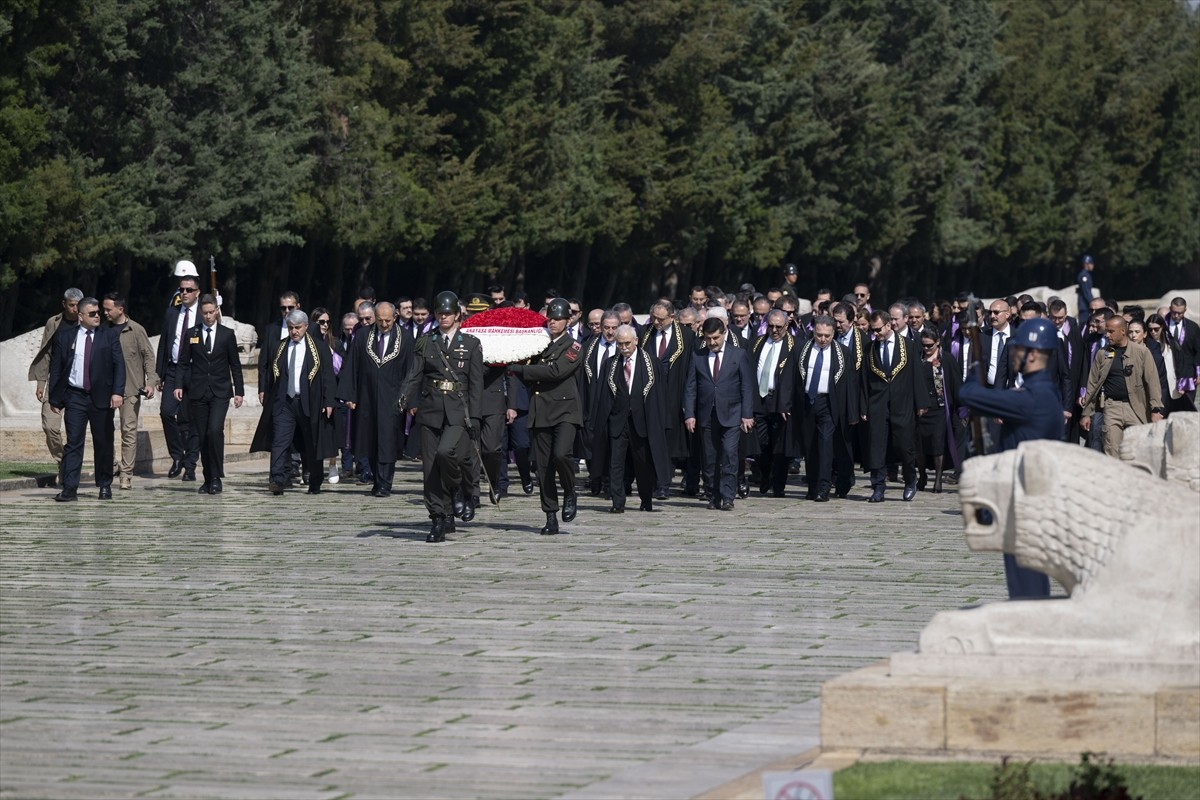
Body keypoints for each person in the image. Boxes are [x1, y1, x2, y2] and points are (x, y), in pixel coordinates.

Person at [959, 318, 1065, 600]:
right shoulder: (1045, 392)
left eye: (1017, 350)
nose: (1011, 354)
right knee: (1028, 582)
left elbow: (968, 394)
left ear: (1032, 354)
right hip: (1030, 497)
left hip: (1025, 502)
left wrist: (975, 366)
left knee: (1026, 588)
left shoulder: (1033, 397)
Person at [400, 291, 484, 542]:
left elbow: (476, 384)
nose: (443, 317)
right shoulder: (426, 341)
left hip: (459, 411)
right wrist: (404, 395)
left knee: (447, 454)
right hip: (431, 410)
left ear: (457, 315)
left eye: (448, 313)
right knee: (430, 468)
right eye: (440, 313)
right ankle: (439, 517)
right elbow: (414, 374)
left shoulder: (470, 344)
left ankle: (460, 488)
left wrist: (477, 418)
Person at [506, 297, 584, 535]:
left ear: (567, 321)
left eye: (558, 318)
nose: (553, 322)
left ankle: (570, 491)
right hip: (540, 410)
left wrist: (520, 369)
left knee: (561, 455)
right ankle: (550, 515)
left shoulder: (574, 347)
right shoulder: (538, 345)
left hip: (565, 410)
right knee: (543, 467)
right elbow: (522, 362)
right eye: (550, 318)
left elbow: (555, 371)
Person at [250, 310, 338, 495]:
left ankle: (315, 480)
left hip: (309, 402)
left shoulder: (319, 348)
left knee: (311, 442)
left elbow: (328, 376)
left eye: (298, 328)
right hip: (284, 402)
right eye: (291, 328)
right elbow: (270, 373)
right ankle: (277, 480)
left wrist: (329, 401)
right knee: (280, 442)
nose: (294, 331)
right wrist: (266, 393)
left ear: (306, 327)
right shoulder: (279, 346)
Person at [47, 297, 125, 501]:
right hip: (75, 396)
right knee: (73, 442)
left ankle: (105, 485)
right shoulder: (65, 337)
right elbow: (56, 368)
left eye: (98, 312)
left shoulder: (109, 336)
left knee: (104, 441)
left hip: (102, 397)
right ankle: (70, 488)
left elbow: (119, 366)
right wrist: (54, 399)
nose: (98, 316)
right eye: (92, 313)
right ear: (80, 316)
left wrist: (117, 392)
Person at [337, 301, 414, 498]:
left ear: (395, 317)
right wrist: (349, 395)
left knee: (387, 441)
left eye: (388, 320)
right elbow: (352, 365)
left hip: (392, 398)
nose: (384, 324)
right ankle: (376, 480)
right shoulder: (363, 336)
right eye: (380, 320)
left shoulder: (405, 338)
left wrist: (411, 399)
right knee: (369, 440)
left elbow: (411, 370)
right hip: (367, 396)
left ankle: (385, 483)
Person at [590, 325, 670, 513]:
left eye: (627, 343)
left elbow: (660, 395)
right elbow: (602, 395)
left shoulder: (651, 362)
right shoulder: (610, 364)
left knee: (643, 463)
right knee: (615, 462)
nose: (624, 348)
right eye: (620, 344)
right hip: (618, 420)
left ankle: (646, 499)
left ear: (636, 341)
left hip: (642, 420)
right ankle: (618, 502)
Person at [175, 294, 244, 495]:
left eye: (211, 312)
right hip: (198, 391)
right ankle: (208, 477)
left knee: (214, 430)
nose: (208, 316)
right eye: (204, 313)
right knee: (203, 435)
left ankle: (216, 476)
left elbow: (235, 365)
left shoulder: (226, 334)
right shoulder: (192, 333)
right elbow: (182, 362)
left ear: (217, 311)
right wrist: (178, 384)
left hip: (220, 391)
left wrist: (238, 391)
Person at [683, 318, 755, 510]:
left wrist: (747, 414)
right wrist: (689, 414)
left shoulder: (738, 355)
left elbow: (747, 386)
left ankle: (728, 496)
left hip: (732, 414)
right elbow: (690, 387)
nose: (712, 342)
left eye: (716, 338)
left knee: (730, 455)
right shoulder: (698, 356)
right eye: (708, 339)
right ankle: (713, 495)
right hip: (707, 415)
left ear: (724, 333)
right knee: (709, 458)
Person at [860, 310, 929, 502]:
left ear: (889, 325)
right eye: (873, 330)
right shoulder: (870, 348)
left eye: (878, 329)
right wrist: (863, 407)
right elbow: (864, 380)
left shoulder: (908, 345)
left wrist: (921, 402)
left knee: (904, 444)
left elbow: (917, 374)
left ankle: (909, 480)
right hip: (878, 404)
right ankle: (878, 486)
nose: (876, 334)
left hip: (903, 403)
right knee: (877, 445)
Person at [1080, 316, 1164, 457]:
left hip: (1137, 407)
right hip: (1112, 407)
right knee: (1111, 449)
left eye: (1111, 331)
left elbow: (1153, 382)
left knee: (1139, 451)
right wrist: (1086, 413)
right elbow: (1092, 384)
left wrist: (1155, 409)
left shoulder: (1142, 352)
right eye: (1107, 331)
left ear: (1123, 331)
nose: (1107, 335)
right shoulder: (1103, 353)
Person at [796, 316, 858, 501]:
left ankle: (824, 487)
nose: (822, 339)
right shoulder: (802, 349)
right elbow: (793, 378)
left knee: (825, 445)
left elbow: (850, 384)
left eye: (827, 336)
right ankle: (812, 485)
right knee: (809, 446)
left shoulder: (843, 352)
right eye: (819, 335)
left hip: (828, 403)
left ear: (833, 334)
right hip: (807, 402)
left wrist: (852, 412)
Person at [102, 292, 158, 490]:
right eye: (104, 309)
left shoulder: (136, 330)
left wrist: (150, 382)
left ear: (120, 309)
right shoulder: (102, 329)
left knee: (128, 432)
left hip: (130, 390)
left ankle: (126, 474)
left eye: (108, 309)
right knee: (104, 431)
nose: (105, 312)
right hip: (105, 390)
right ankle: (110, 465)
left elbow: (149, 358)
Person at [641, 300, 695, 498]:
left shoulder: (687, 337)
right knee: (652, 440)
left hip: (675, 396)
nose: (656, 322)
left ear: (672, 318)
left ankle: (666, 482)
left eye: (661, 319)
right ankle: (657, 482)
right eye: (654, 317)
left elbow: (691, 370)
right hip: (650, 396)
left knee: (671, 442)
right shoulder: (644, 334)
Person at [28, 288, 83, 479]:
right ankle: (63, 461)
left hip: (80, 383)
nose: (75, 309)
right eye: (71, 305)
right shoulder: (54, 323)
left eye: (78, 305)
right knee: (50, 426)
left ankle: (108, 464)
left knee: (78, 430)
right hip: (56, 382)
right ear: (64, 304)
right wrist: (41, 382)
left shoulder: (88, 323)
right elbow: (46, 354)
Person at [156, 273, 203, 480]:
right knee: (167, 412)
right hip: (174, 369)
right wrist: (159, 374)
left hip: (196, 371)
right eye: (182, 289)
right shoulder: (172, 313)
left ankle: (190, 464)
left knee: (192, 420)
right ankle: (177, 456)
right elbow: (165, 343)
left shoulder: (205, 313)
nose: (184, 293)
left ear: (197, 292)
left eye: (189, 290)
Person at [750, 309, 798, 497]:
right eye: (771, 326)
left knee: (780, 445)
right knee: (759, 443)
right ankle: (765, 473)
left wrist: (788, 403)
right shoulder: (757, 343)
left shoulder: (795, 346)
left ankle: (779, 483)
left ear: (787, 326)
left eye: (779, 326)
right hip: (760, 400)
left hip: (781, 402)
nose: (775, 330)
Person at [915, 329, 962, 494]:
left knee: (937, 444)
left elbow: (956, 384)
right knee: (920, 446)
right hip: (921, 408)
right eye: (923, 345)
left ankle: (938, 478)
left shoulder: (947, 360)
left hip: (940, 409)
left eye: (929, 346)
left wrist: (960, 409)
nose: (926, 349)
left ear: (938, 343)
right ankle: (922, 476)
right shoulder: (918, 358)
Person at [1165, 297, 1199, 406]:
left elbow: (1198, 351)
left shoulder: (1193, 327)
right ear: (1170, 309)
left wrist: (1198, 372)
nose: (1176, 316)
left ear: (1185, 311)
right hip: (1167, 373)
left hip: (1188, 374)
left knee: (1188, 408)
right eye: (1174, 312)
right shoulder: (1162, 326)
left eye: (1180, 313)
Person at [1076, 255, 1095, 320]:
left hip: (1086, 305)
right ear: (1086, 264)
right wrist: (1093, 303)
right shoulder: (1084, 276)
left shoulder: (1086, 275)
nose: (1093, 265)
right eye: (1091, 263)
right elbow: (1086, 292)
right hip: (1085, 306)